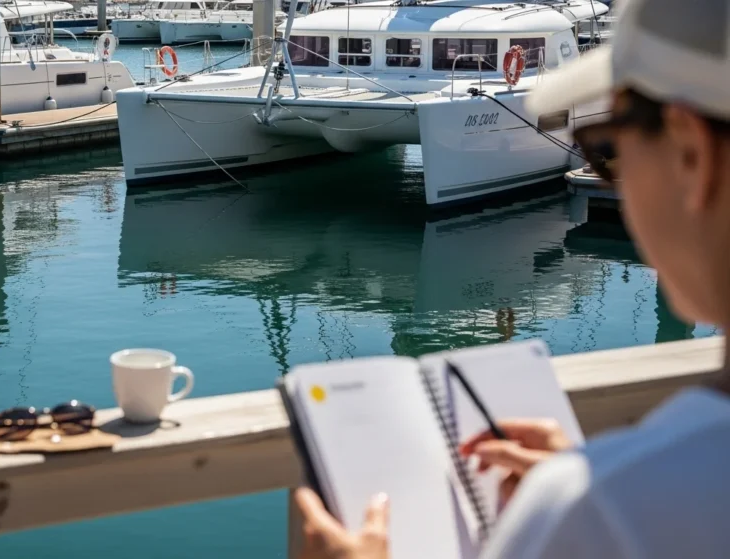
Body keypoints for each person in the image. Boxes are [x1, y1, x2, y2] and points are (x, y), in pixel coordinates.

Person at [294, 0, 730, 556]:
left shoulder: (598, 509)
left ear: (692, 156)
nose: (604, 166)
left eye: (606, 146)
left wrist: (574, 493)